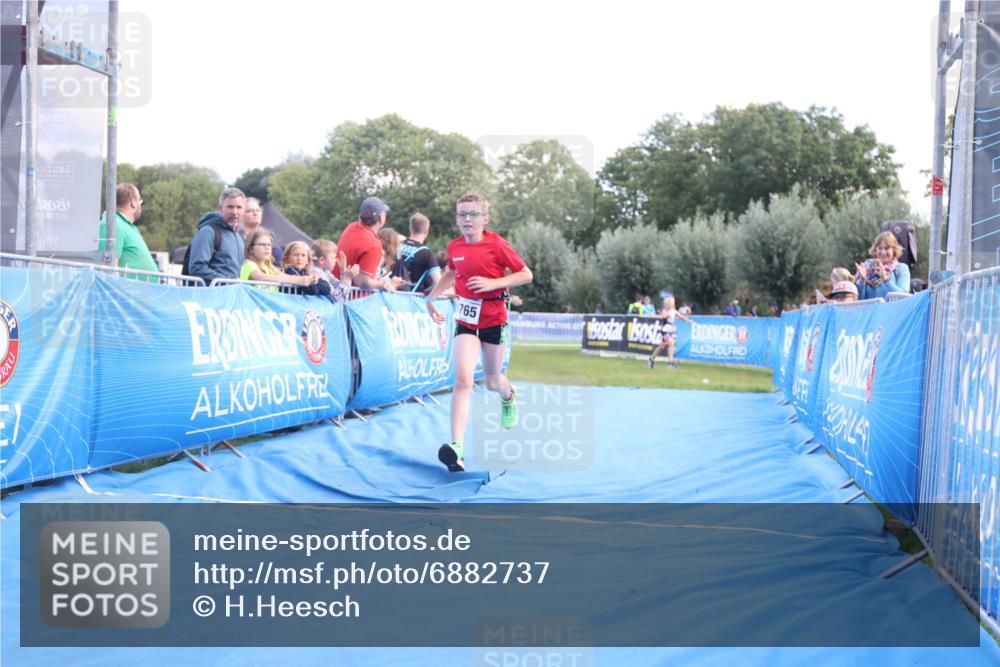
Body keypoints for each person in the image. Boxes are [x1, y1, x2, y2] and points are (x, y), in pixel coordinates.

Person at [425, 193, 533, 472]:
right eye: (462, 214)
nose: (467, 219)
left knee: (493, 381)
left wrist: (493, 282)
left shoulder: (496, 244)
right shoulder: (454, 247)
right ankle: (457, 448)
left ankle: (508, 396)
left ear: (485, 218)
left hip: (494, 318)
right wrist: (432, 297)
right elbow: (452, 272)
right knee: (462, 379)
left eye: (473, 214)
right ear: (456, 219)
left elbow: (525, 274)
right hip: (466, 320)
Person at [188, 187, 247, 285]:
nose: (235, 212)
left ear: (244, 210)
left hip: (232, 295)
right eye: (230, 207)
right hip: (211, 296)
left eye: (239, 207)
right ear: (221, 208)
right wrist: (226, 282)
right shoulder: (208, 232)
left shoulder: (240, 235)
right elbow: (197, 268)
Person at [98, 183, 158, 279]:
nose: (140, 205)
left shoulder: (125, 225)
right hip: (127, 292)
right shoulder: (112, 224)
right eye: (140, 201)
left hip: (142, 292)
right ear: (133, 202)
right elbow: (107, 267)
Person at [334, 196, 394, 291]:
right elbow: (362, 282)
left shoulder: (351, 227)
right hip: (353, 300)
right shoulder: (373, 245)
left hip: (336, 291)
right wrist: (381, 284)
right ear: (381, 218)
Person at [240, 229, 314, 290]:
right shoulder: (248, 264)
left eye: (269, 244)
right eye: (262, 244)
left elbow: (286, 277)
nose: (267, 247)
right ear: (251, 249)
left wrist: (309, 278)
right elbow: (262, 278)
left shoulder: (269, 266)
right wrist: (300, 280)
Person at [393, 213, 442, 295]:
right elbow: (439, 283)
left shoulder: (396, 245)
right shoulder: (427, 253)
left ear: (410, 228)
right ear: (426, 231)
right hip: (413, 299)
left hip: (390, 295)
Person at [855, 231, 911, 300]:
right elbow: (859, 299)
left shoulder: (901, 268)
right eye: (880, 248)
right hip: (871, 310)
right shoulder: (867, 268)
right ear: (876, 249)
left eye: (887, 248)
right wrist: (862, 281)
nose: (883, 252)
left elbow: (903, 297)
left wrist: (886, 280)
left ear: (894, 250)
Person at [647, 296, 694, 369]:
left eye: (672, 302)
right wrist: (654, 315)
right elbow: (663, 316)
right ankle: (670, 363)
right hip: (664, 331)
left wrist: (688, 321)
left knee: (661, 347)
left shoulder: (674, 311)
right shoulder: (665, 310)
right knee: (671, 343)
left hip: (669, 331)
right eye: (670, 302)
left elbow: (681, 316)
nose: (671, 304)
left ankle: (651, 359)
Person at [241, 197, 282, 263]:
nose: (255, 213)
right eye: (249, 211)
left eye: (258, 210)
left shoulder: (270, 238)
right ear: (240, 214)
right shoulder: (235, 238)